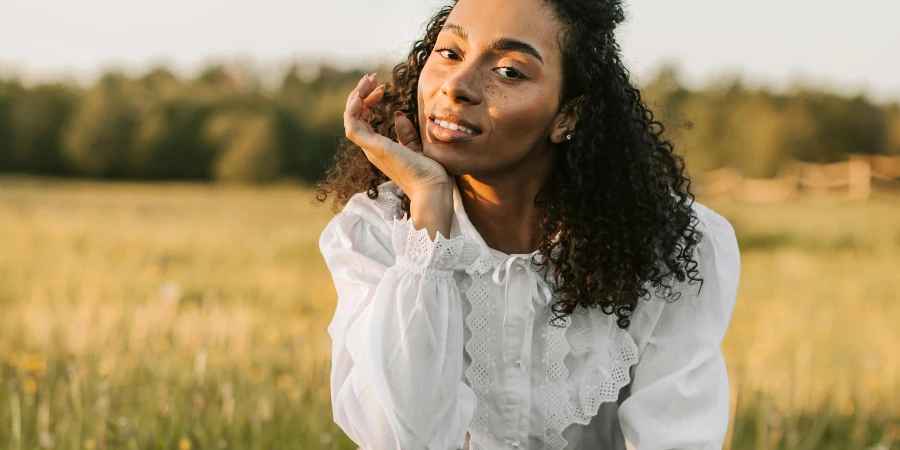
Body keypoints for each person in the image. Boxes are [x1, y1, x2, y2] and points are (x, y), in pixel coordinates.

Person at [316, 0, 741, 448]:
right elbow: (399, 438)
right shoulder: (378, 231)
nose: (457, 87)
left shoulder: (668, 243)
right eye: (450, 53)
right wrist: (428, 217)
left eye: (510, 72)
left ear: (567, 116)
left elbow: (678, 437)